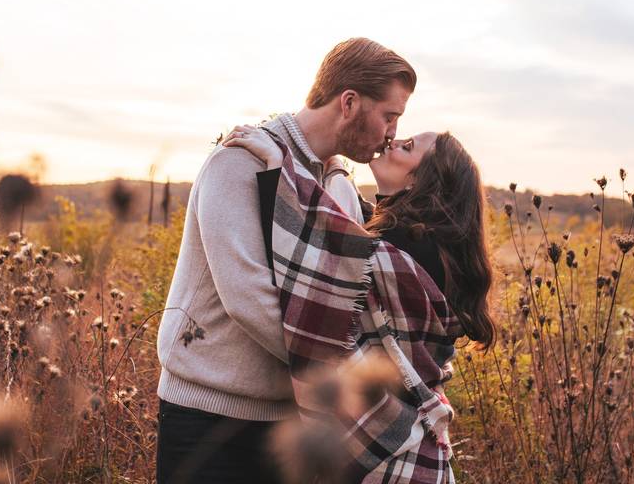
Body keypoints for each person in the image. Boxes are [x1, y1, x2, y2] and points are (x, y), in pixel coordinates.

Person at [155, 38, 417, 484]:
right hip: (207, 415)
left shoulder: (338, 186)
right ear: (349, 103)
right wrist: (347, 374)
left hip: (296, 422)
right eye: (389, 116)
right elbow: (247, 298)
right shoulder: (238, 163)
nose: (392, 132)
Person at [222, 126, 496, 481]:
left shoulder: (409, 248)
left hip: (389, 440)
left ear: (423, 180)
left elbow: (313, 262)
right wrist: (335, 169)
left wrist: (279, 168)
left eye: (408, 147)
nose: (394, 142)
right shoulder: (419, 242)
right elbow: (352, 230)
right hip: (413, 446)